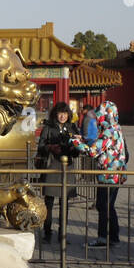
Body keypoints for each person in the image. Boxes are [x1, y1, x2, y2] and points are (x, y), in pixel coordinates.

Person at [70, 101, 127, 248]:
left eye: (99, 116)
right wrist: (84, 140)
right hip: (116, 174)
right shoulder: (117, 129)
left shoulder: (109, 132)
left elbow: (93, 151)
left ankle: (104, 239)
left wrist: (75, 142)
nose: (97, 119)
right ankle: (113, 237)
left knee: (103, 206)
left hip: (108, 176)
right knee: (108, 206)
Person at [36, 102, 77, 242]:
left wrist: (75, 148)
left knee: (65, 203)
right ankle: (47, 232)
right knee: (49, 202)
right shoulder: (48, 127)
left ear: (68, 114)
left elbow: (78, 150)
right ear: (55, 114)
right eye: (60, 113)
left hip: (67, 167)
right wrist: (51, 147)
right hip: (52, 166)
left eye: (65, 113)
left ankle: (63, 234)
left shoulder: (72, 127)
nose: (62, 116)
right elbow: (40, 146)